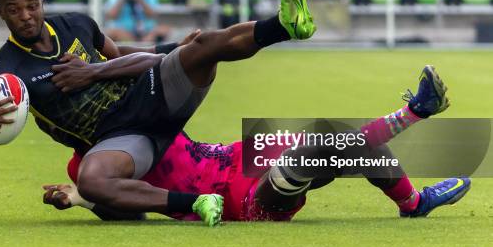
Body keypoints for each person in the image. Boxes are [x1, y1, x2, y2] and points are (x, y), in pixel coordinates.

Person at [0, 0, 315, 226]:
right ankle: (197, 203)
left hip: (147, 96)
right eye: (14, 10)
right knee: (92, 181)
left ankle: (284, 26)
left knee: (202, 44)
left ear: (42, 1)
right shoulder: (6, 71)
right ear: (1, 12)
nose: (26, 16)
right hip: (119, 139)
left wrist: (164, 53)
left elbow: (127, 57)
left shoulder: (77, 24)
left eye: (32, 5)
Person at [43, 66, 471, 222]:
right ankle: (417, 118)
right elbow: (124, 210)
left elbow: (157, 65)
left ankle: (413, 197)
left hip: (239, 153)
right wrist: (81, 199)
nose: (97, 104)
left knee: (339, 135)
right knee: (325, 144)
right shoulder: (89, 166)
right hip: (236, 197)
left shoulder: (133, 117)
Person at [104, 0, 170, 42]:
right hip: (124, 32)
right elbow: (112, 15)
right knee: (112, 32)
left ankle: (141, 42)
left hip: (146, 32)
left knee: (164, 29)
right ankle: (140, 44)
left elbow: (152, 15)